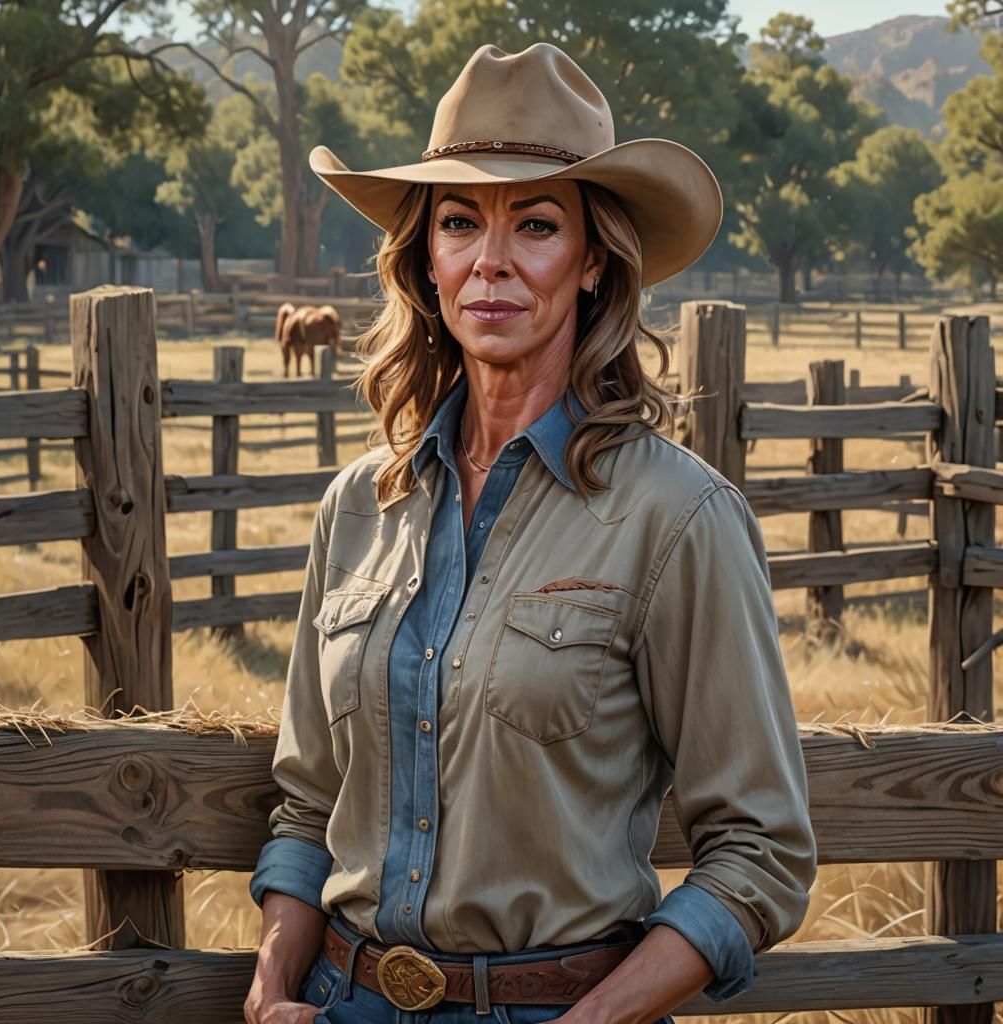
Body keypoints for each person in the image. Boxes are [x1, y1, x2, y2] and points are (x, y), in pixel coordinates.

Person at [244, 41, 817, 1024]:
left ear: (593, 260)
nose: (491, 261)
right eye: (459, 222)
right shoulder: (358, 506)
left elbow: (761, 851)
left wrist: (589, 1020)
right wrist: (269, 986)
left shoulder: (677, 517)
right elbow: (307, 805)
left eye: (538, 225)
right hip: (341, 1002)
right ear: (425, 258)